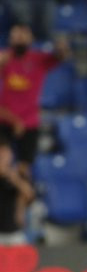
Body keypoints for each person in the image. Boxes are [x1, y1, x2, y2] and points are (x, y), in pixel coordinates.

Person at [0, 24, 69, 178]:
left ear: (31, 39)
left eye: (23, 36)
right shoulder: (5, 58)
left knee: (24, 168)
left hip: (29, 121)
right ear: (10, 40)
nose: (19, 40)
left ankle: (21, 198)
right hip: (4, 120)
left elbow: (61, 56)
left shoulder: (38, 59)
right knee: (2, 161)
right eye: (16, 37)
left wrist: (62, 47)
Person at [0, 135, 34, 246]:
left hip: (14, 232)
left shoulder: (18, 174)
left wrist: (13, 178)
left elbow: (29, 194)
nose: (3, 157)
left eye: (5, 153)